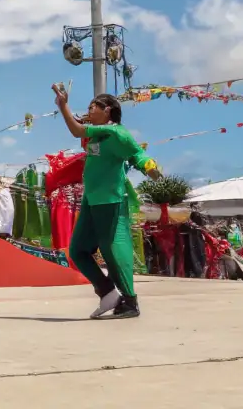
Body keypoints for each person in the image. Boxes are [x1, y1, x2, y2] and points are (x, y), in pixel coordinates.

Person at [52, 85, 161, 320]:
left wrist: (149, 166)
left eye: (94, 107)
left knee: (113, 250)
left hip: (111, 200)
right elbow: (82, 130)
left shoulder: (117, 133)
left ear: (108, 110)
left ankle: (129, 301)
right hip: (91, 200)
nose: (89, 110)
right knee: (77, 251)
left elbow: (135, 153)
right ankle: (107, 293)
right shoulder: (97, 135)